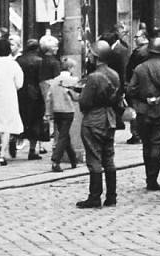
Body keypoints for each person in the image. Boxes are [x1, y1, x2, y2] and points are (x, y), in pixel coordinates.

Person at [126, 36, 160, 191]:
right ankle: (152, 179)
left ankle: (149, 177)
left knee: (147, 144)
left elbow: (130, 90)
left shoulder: (140, 68)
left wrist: (143, 100)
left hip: (143, 111)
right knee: (157, 144)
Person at [76, 40, 122, 208]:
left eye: (91, 54)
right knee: (108, 158)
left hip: (94, 119)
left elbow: (85, 101)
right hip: (109, 119)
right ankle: (111, 196)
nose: (88, 56)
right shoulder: (114, 75)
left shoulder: (94, 76)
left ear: (97, 57)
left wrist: (78, 96)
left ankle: (94, 197)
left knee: (94, 158)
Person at [45, 58, 80, 172]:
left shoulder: (54, 80)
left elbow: (48, 97)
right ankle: (56, 160)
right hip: (68, 110)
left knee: (64, 136)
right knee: (63, 136)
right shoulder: (73, 80)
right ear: (70, 68)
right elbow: (76, 97)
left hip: (57, 110)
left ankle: (73, 159)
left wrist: (48, 112)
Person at [15, 34, 45, 160]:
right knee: (35, 121)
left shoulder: (19, 60)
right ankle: (32, 150)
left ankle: (15, 139)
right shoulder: (39, 61)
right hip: (35, 94)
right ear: (37, 48)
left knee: (20, 118)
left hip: (20, 93)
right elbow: (41, 79)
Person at [124, 31, 149, 145]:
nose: (134, 39)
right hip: (148, 85)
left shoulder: (139, 52)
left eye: (136, 37)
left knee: (135, 109)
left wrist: (129, 83)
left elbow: (131, 69)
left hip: (137, 85)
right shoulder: (152, 49)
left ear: (143, 37)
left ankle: (136, 134)